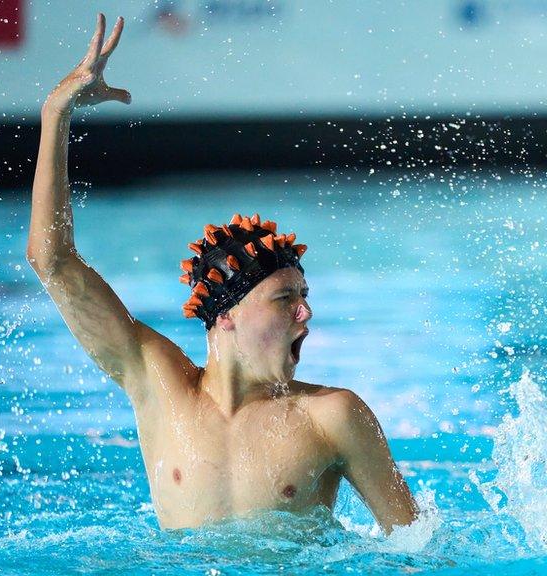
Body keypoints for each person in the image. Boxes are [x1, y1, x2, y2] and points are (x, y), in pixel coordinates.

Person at [26, 14, 417, 531]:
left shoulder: (333, 417)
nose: (306, 311)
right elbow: (51, 261)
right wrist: (56, 112)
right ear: (226, 315)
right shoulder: (156, 381)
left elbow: (417, 550)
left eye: (303, 294)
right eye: (284, 299)